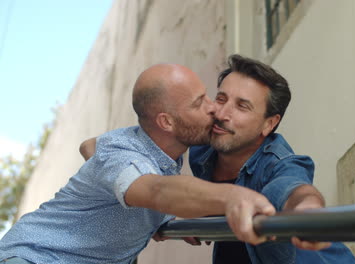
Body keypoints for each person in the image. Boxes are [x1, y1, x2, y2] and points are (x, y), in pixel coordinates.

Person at [0, 64, 277, 264]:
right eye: (198, 103)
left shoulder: (152, 154)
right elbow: (157, 190)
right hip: (34, 257)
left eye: (207, 96)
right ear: (166, 122)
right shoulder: (124, 152)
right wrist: (233, 196)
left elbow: (90, 146)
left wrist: (156, 217)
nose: (213, 108)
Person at [188, 54, 355, 263]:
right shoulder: (202, 150)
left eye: (242, 106)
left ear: (268, 124)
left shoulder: (277, 162)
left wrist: (308, 209)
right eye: (221, 99)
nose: (222, 113)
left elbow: (293, 186)